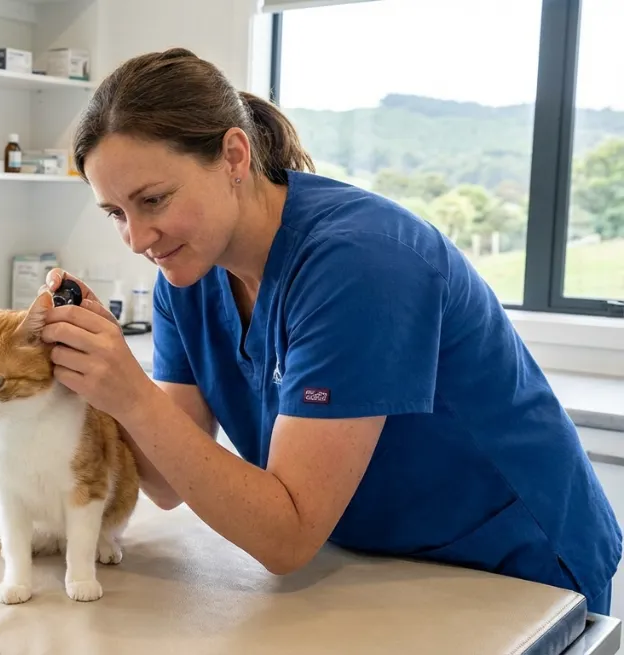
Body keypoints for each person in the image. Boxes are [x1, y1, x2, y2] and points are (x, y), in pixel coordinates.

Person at [38, 47, 621, 614]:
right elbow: (166, 483)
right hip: (374, 560)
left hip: (515, 566)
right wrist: (85, 380)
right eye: (116, 213)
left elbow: (285, 538)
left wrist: (131, 393)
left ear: (235, 157)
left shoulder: (360, 262)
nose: (138, 239)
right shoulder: (185, 281)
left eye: (154, 200)